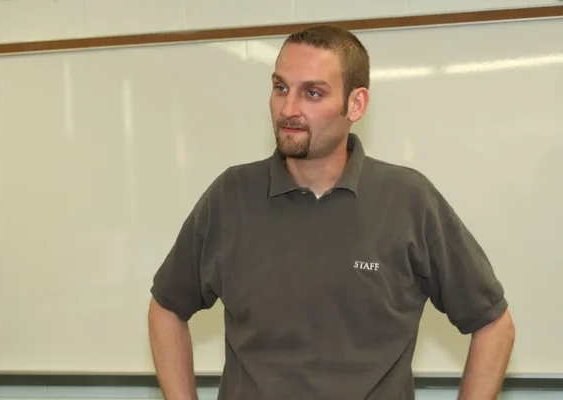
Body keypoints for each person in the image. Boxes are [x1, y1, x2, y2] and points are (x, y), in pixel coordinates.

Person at [147, 24, 515, 400]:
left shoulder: (408, 200)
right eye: (280, 88)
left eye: (313, 93)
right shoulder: (229, 197)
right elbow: (166, 308)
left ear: (355, 104)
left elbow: (493, 324)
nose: (289, 109)